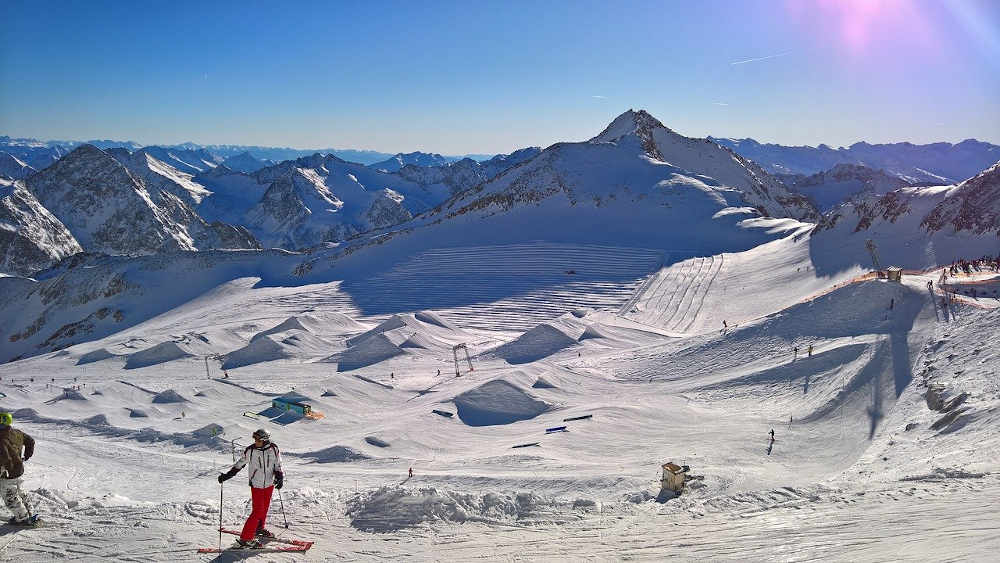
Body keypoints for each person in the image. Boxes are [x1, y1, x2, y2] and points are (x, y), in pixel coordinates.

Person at [217, 428, 283, 549]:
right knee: (257, 511)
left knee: (264, 508)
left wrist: (280, 476)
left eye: (258, 439)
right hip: (256, 484)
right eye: (255, 439)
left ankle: (259, 529)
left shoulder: (274, 448)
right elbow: (239, 464)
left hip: (269, 483)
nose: (255, 441)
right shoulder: (251, 450)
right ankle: (246, 539)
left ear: (264, 440)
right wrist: (227, 475)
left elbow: (277, 464)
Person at [0, 412, 37, 526]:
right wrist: (27, 455)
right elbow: (30, 441)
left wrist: (4, 469)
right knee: (20, 491)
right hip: (19, 469)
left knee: (10, 496)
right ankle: (30, 513)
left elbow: (4, 457)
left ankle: (22, 518)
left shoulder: (1, 438)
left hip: (8, 472)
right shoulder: (17, 433)